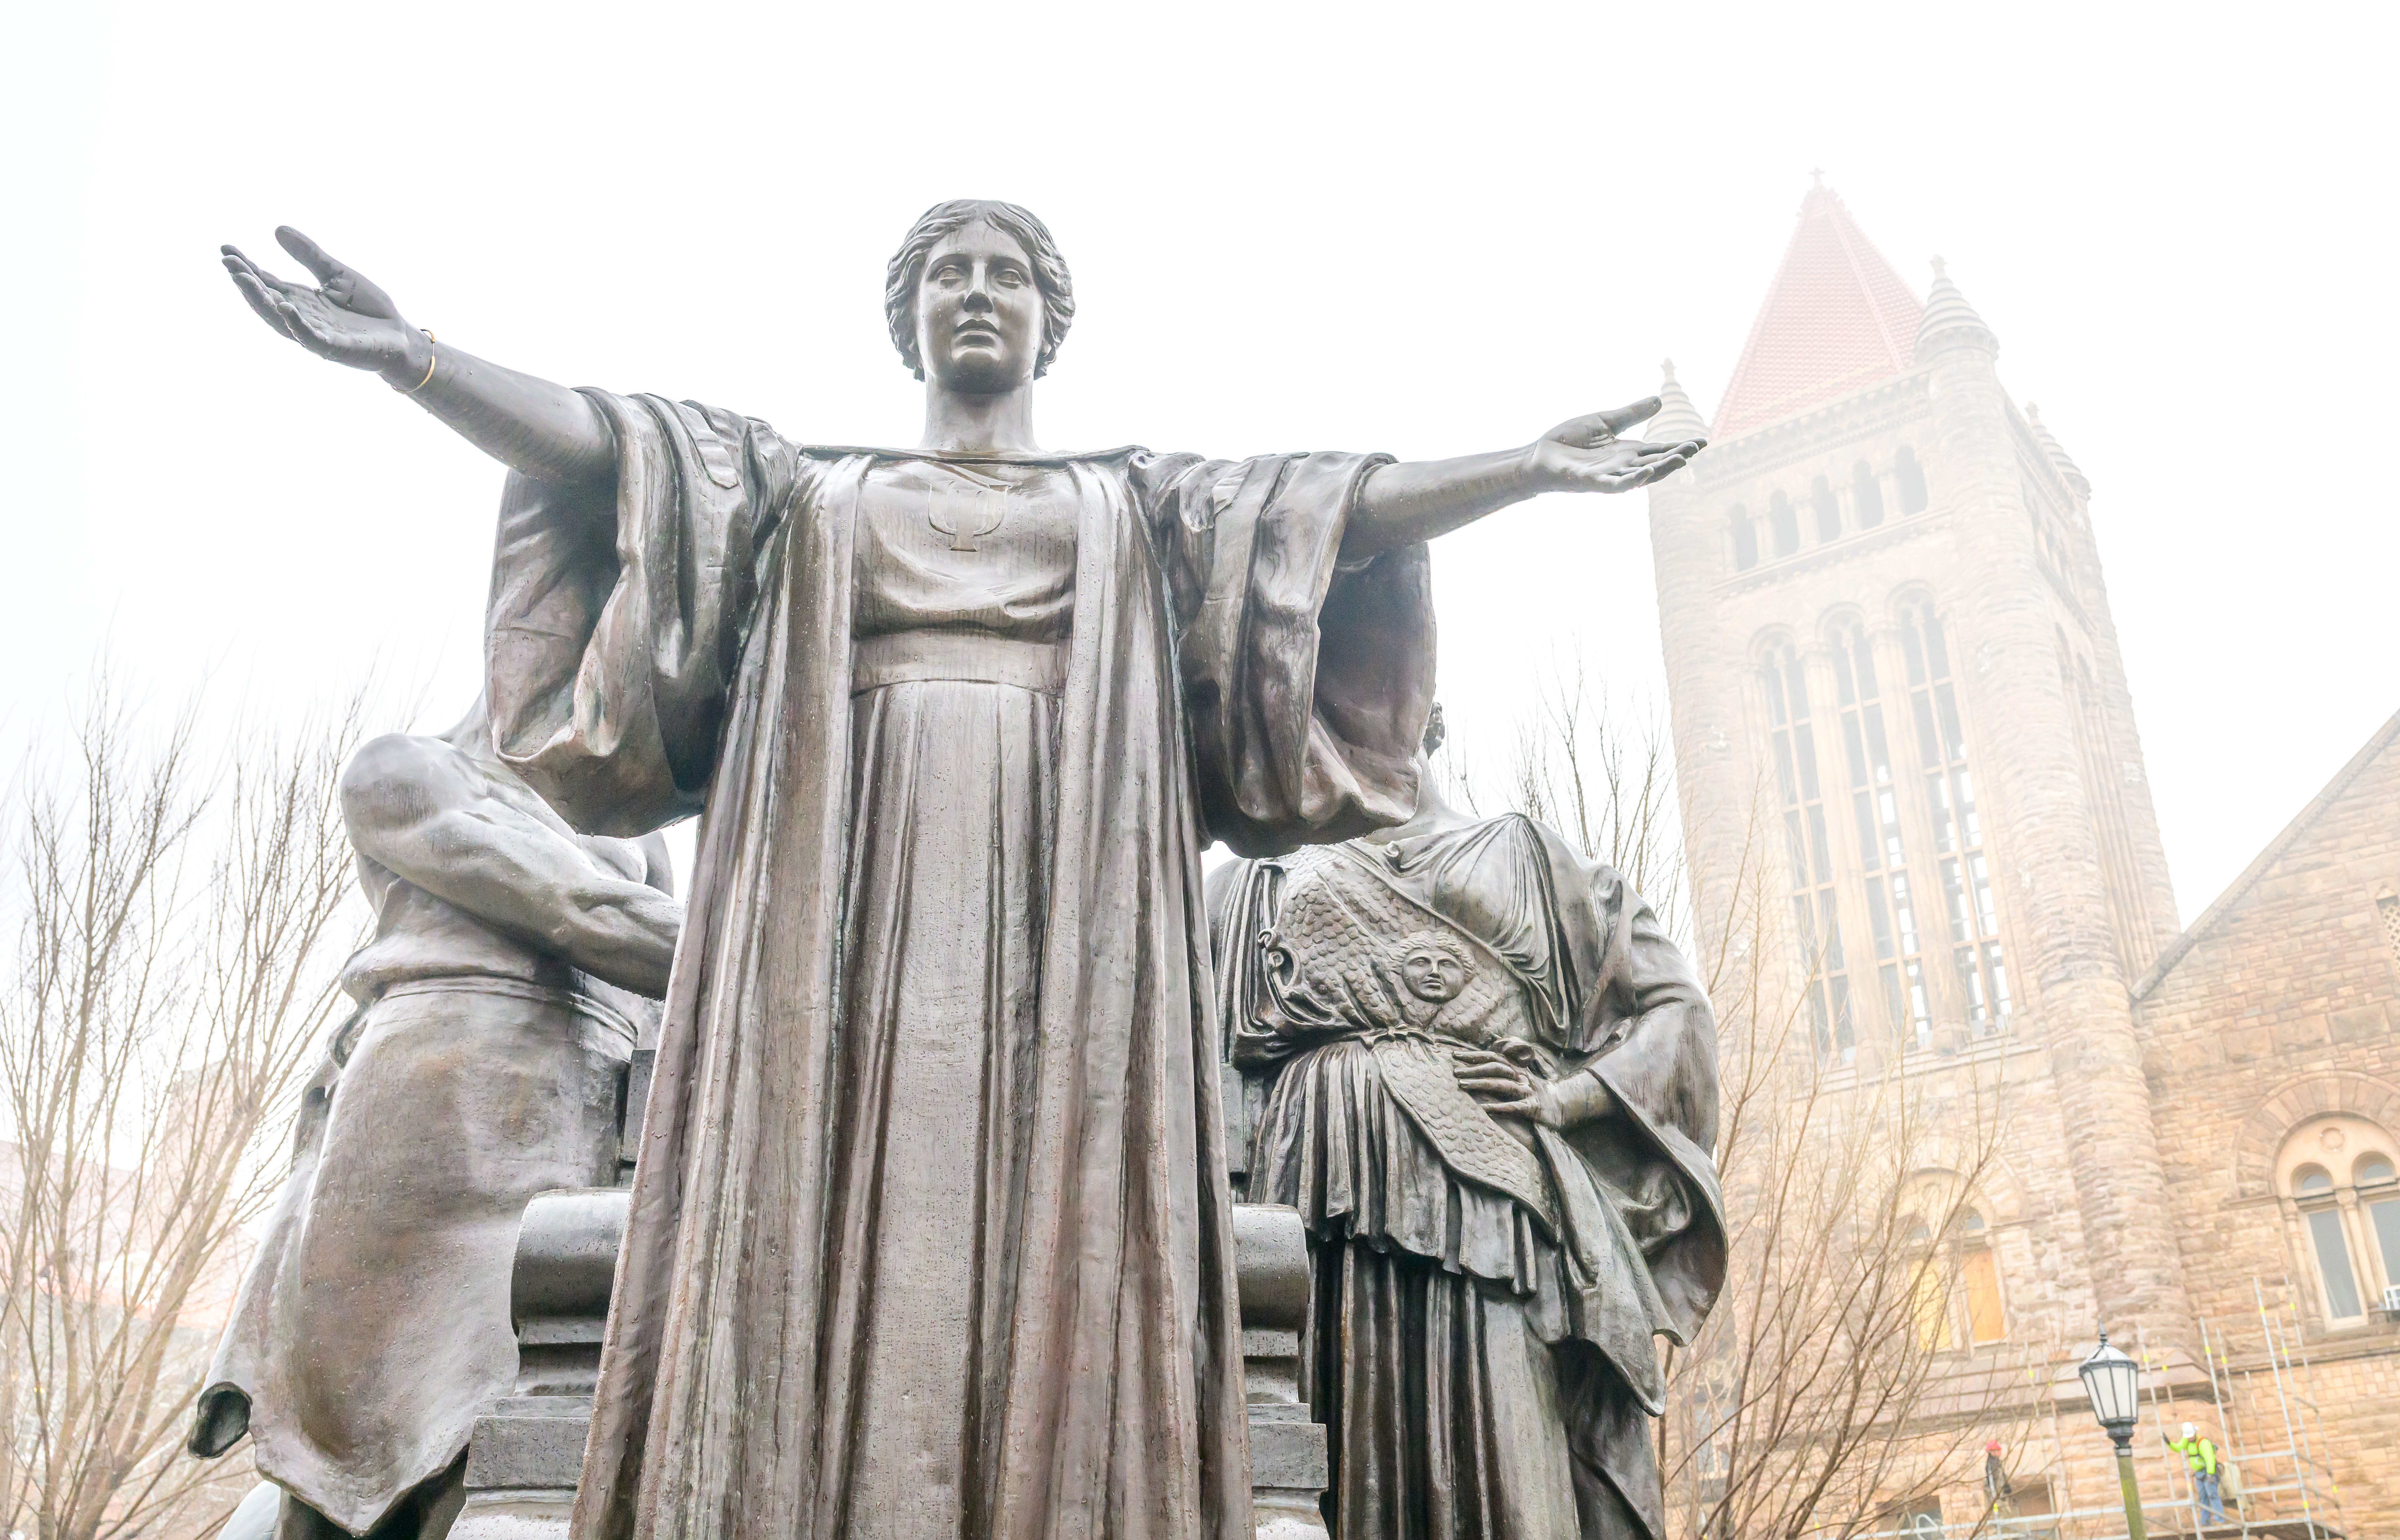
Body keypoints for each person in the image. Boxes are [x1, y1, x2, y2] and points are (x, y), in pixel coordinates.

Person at [220, 202, 1700, 1540]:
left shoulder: (1131, 508)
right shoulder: (805, 490)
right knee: (812, 1227)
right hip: (842, 906)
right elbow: (614, 452)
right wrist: (417, 361)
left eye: (1005, 274)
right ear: (906, 313)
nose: (976, 294)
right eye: (945, 272)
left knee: (1068, 1231)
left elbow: (1314, 516)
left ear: (1050, 319)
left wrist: (1518, 466)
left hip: (1069, 923)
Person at [1214, 705, 1723, 1540]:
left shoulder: (1527, 858)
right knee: (1319, 1490)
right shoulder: (1258, 878)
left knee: (1505, 1481)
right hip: (1309, 1216)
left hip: (1489, 1218)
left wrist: (1573, 1097)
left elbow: (1678, 1013)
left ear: (1432, 716)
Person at [189, 696, 678, 1540]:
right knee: (363, 1430)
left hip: (584, 1123)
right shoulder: (401, 771)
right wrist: (766, 944)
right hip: (430, 1115)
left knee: (536, 1406)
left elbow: (659, 1004)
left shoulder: (637, 832)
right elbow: (575, 908)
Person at [2166, 1421, 2227, 1524]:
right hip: (2199, 1474)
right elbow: (2178, 1448)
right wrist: (2168, 1443)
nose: (2190, 1439)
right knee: (2203, 1498)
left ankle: (2219, 1520)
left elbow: (2210, 1460)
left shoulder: (2203, 1443)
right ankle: (2205, 1522)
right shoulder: (2187, 1441)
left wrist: (2210, 1474)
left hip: (2208, 1473)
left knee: (2213, 1495)